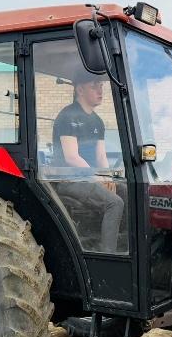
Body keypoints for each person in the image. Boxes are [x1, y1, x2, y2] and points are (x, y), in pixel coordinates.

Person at [52, 74, 125, 253]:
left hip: (90, 178)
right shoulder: (68, 116)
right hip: (69, 180)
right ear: (80, 89)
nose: (100, 91)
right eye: (94, 86)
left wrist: (108, 177)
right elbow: (71, 157)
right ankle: (109, 254)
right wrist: (97, 177)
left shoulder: (97, 121)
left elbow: (100, 155)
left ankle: (122, 243)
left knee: (126, 191)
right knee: (114, 203)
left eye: (101, 86)